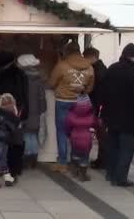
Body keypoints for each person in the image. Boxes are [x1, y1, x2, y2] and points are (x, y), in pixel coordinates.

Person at [101, 43, 134, 187]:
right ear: (132, 57)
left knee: (113, 147)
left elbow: (104, 92)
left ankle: (111, 173)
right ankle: (120, 178)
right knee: (126, 149)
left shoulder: (112, 68)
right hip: (129, 120)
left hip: (112, 117)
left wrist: (104, 114)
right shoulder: (133, 73)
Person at [49, 42, 94, 172]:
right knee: (78, 132)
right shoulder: (89, 67)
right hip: (80, 103)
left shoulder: (62, 65)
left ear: (67, 52)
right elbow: (90, 88)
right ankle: (77, 161)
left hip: (63, 101)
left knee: (62, 132)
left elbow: (52, 83)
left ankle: (62, 163)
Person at [0, 51, 28, 178]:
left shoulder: (3, 75)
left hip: (4, 112)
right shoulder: (21, 74)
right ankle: (15, 168)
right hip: (18, 111)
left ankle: (5, 166)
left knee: (3, 140)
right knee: (16, 140)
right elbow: (25, 94)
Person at [17, 54, 47, 169]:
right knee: (33, 134)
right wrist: (42, 110)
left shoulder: (21, 77)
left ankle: (27, 158)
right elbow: (42, 96)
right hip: (36, 110)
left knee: (26, 134)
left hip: (24, 109)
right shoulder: (38, 77)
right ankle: (33, 158)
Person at [84, 47, 108, 170]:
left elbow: (97, 92)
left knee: (101, 135)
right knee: (100, 135)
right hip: (99, 107)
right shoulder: (101, 69)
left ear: (92, 57)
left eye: (85, 57)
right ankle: (102, 160)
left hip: (97, 107)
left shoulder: (97, 71)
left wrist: (97, 110)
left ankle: (102, 161)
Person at [65, 95, 95, 182]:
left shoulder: (71, 115)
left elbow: (67, 126)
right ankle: (82, 175)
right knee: (85, 157)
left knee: (74, 154)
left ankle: (74, 171)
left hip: (74, 138)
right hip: (87, 139)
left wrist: (68, 134)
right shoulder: (91, 116)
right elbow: (95, 124)